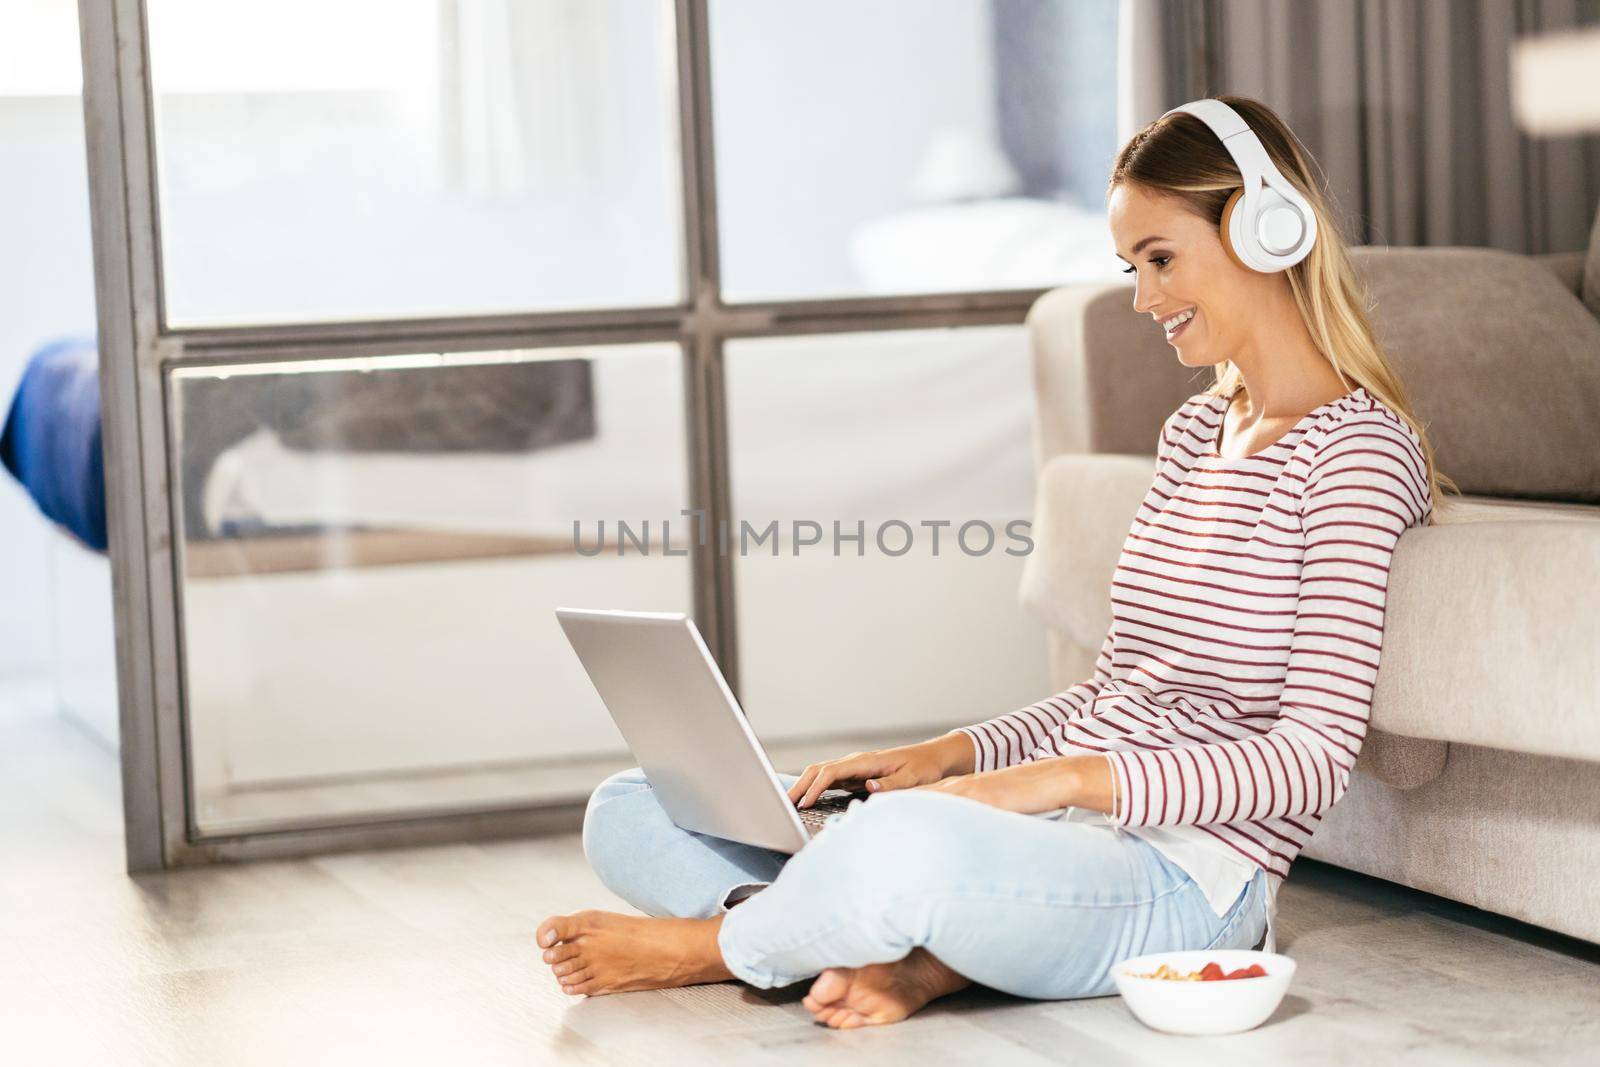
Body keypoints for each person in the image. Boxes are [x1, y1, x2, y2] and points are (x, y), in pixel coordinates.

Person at [535, 94, 1456, 1029]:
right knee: (635, 801)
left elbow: (1311, 761)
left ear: (1265, 230)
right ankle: (840, 934)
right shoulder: (1192, 432)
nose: (1143, 299)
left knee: (905, 849)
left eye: (1161, 258)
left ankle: (723, 947)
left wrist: (1057, 778)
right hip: (1061, 841)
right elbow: (1114, 695)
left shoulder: (1357, 454)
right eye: (1132, 267)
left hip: (1190, 883)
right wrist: (950, 754)